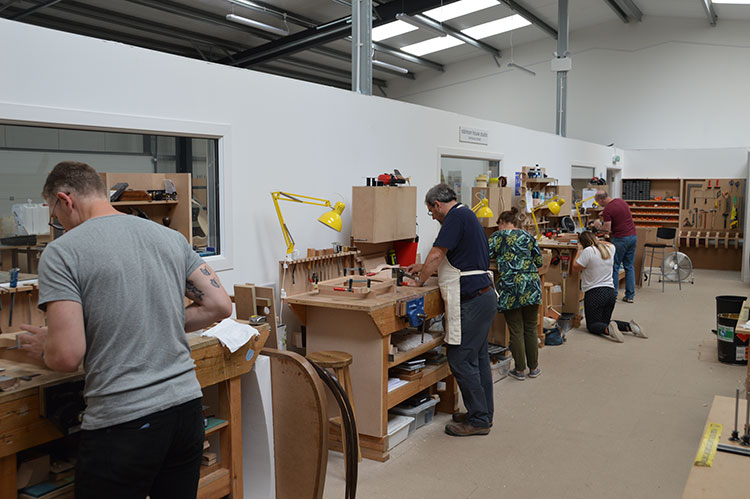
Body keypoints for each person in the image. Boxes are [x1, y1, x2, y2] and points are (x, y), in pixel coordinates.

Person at [19, 161, 232, 498]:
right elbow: (220, 305)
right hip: (186, 412)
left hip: (124, 423)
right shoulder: (168, 238)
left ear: (65, 199)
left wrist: (46, 348)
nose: (58, 224)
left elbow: (66, 356)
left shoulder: (62, 253)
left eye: (54, 214)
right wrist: (154, 319)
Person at [406, 184, 496, 437]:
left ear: (437, 204)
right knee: (477, 359)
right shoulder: (466, 215)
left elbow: (437, 254)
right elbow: (457, 259)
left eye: (431, 212)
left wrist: (419, 281)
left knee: (459, 358)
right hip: (483, 296)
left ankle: (479, 419)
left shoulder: (454, 217)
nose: (433, 217)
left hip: (472, 300)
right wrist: (422, 267)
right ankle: (483, 413)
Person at [488, 208, 542, 381]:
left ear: (502, 222)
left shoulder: (497, 237)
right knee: (531, 328)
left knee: (516, 330)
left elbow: (484, 256)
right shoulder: (527, 236)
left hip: (511, 286)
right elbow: (539, 260)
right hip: (532, 285)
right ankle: (533, 368)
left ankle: (519, 370)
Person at [572, 231, 646, 342]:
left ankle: (608, 330)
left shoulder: (588, 251)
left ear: (583, 243)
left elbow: (575, 267)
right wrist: (596, 241)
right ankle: (630, 327)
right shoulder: (609, 249)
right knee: (604, 322)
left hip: (594, 294)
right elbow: (610, 244)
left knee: (592, 326)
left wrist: (579, 249)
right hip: (610, 293)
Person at [594, 190, 637, 303]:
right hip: (632, 236)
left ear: (602, 200)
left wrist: (598, 225)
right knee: (629, 266)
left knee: (615, 266)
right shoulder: (621, 201)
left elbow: (607, 230)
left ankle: (613, 295)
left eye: (599, 203)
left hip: (621, 239)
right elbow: (619, 215)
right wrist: (604, 214)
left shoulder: (608, 209)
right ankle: (630, 296)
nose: (599, 205)